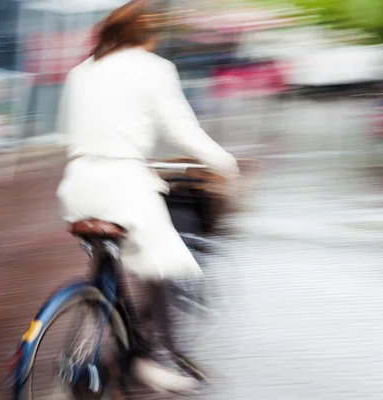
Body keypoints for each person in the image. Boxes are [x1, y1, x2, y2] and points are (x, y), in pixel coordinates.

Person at [56, 0, 239, 394]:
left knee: (112, 262)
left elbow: (68, 136)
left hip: (76, 187)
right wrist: (226, 165)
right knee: (172, 266)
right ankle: (152, 359)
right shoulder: (155, 69)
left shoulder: (79, 73)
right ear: (150, 34)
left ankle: (104, 321)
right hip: (123, 187)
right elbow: (183, 131)